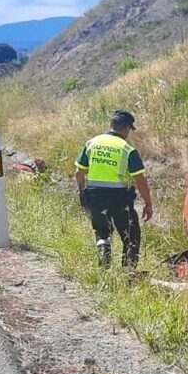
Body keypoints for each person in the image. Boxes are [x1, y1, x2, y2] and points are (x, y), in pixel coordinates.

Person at [75, 110, 153, 268]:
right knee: (131, 236)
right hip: (119, 198)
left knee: (102, 230)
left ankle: (104, 251)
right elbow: (139, 179)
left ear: (112, 125)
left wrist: (82, 193)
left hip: (95, 195)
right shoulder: (127, 149)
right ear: (126, 128)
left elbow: (79, 172)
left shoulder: (92, 143)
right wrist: (148, 203)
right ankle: (128, 272)